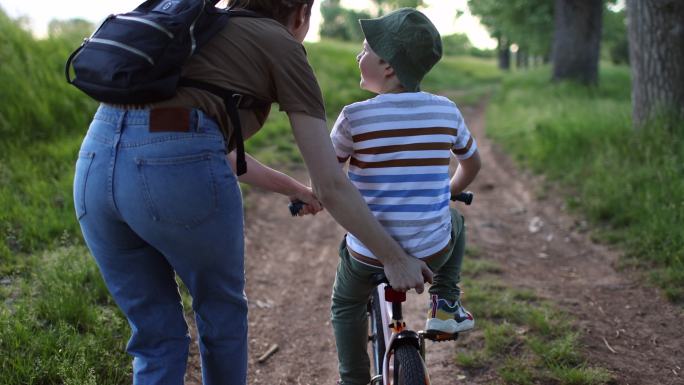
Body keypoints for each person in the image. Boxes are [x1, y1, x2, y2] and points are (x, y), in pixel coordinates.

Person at [72, 1, 432, 384]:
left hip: (94, 164)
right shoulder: (280, 43)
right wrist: (392, 257)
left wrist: (293, 188)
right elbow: (330, 182)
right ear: (301, 13)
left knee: (155, 337)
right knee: (219, 316)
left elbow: (186, 138)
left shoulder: (198, 30)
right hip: (172, 171)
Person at [328, 8, 482, 385]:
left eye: (365, 49)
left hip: (369, 252)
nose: (358, 56)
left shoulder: (354, 117)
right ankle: (445, 302)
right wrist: (445, 193)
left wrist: (315, 198)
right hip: (431, 249)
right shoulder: (446, 111)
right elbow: (472, 164)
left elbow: (328, 177)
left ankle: (353, 377)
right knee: (456, 221)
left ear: (389, 68)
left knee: (346, 302)